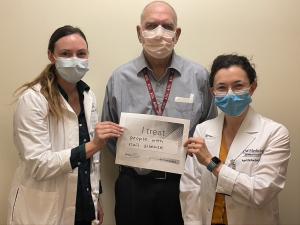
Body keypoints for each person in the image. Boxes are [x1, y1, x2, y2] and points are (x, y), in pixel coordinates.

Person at [101, 1, 217, 225]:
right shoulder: (119, 78)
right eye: (151, 25)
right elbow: (110, 135)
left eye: (167, 26)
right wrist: (135, 157)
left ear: (178, 33)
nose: (159, 32)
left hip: (184, 184)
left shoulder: (199, 76)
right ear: (139, 32)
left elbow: (209, 130)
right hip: (133, 185)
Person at [7, 25, 123, 225]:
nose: (75, 60)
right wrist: (93, 145)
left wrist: (95, 199)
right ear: (51, 56)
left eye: (81, 53)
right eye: (66, 54)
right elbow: (38, 165)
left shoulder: (88, 96)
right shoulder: (33, 100)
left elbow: (91, 163)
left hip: (84, 205)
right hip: (43, 210)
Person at [180, 54, 291, 225]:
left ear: (252, 87)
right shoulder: (203, 130)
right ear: (212, 92)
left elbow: (261, 193)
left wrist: (211, 163)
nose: (230, 94)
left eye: (238, 86)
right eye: (222, 87)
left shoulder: (275, 133)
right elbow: (191, 188)